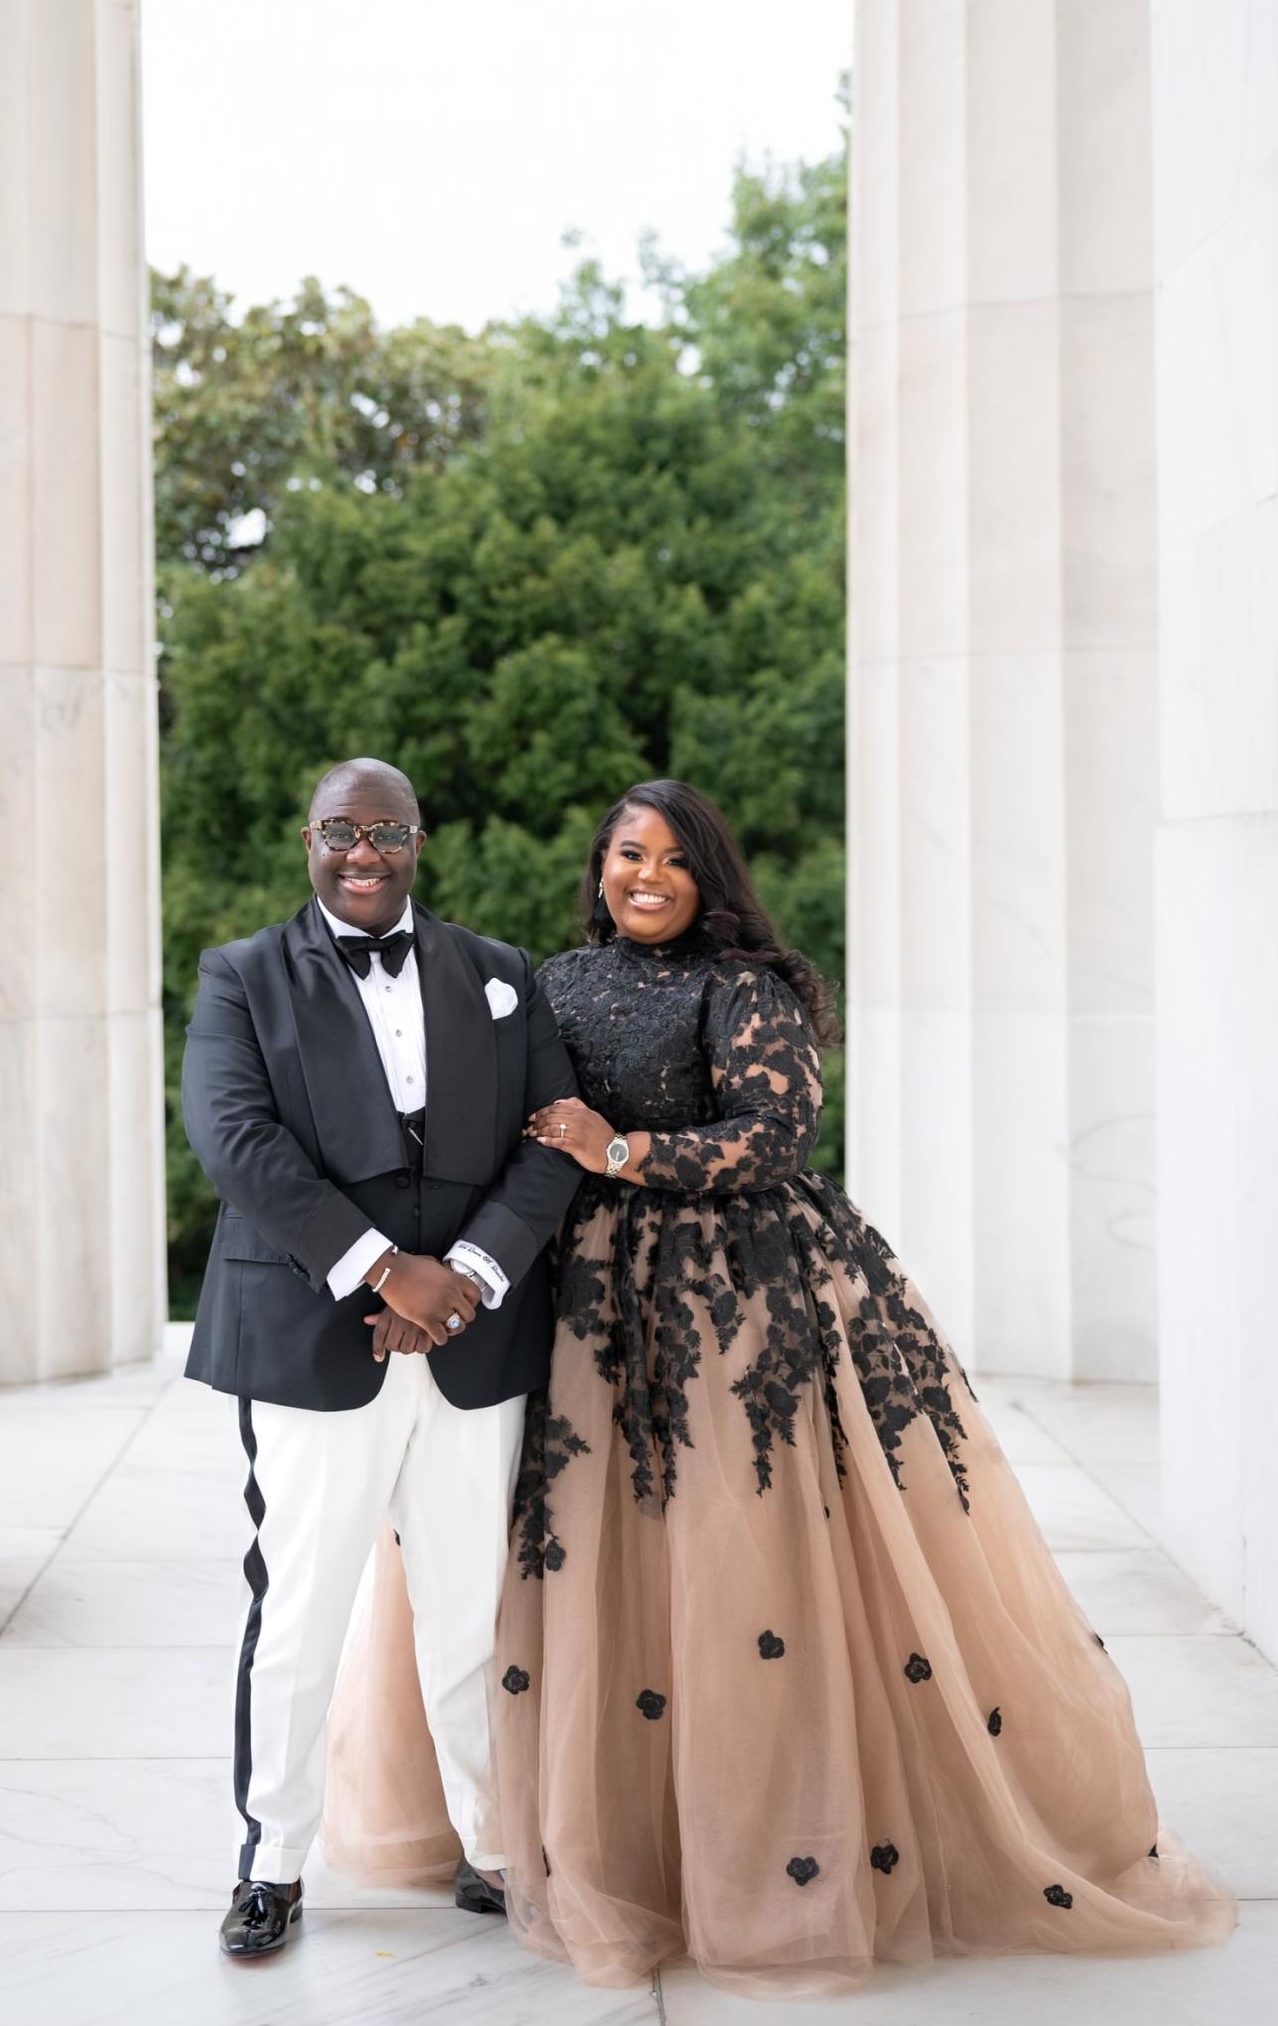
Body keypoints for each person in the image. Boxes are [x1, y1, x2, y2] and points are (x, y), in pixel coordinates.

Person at [323, 779, 1236, 1998]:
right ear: (596, 866)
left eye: (672, 860)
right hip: (569, 1302)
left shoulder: (747, 987)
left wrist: (623, 1151)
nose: (645, 876)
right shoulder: (547, 982)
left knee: (727, 1572)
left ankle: (751, 1856)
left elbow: (778, 1134)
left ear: (709, 875)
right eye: (625, 854)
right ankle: (560, 1834)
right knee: (568, 1570)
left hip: (732, 1302)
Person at [179, 757, 581, 1960]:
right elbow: (235, 1140)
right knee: (300, 1611)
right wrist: (380, 1269)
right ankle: (273, 1864)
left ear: (419, 840)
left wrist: (463, 1283)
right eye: (342, 833)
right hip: (312, 1336)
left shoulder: (503, 975)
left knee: (471, 1609)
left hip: (473, 1337)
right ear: (308, 838)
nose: (364, 854)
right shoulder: (241, 976)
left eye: (387, 832)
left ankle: (494, 1846)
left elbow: (549, 1144)